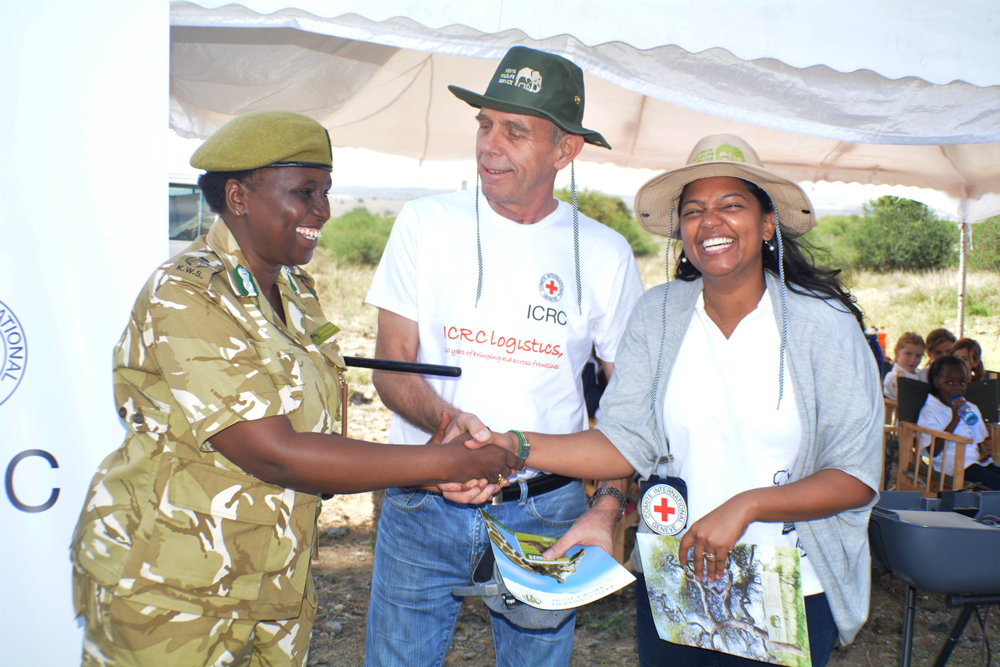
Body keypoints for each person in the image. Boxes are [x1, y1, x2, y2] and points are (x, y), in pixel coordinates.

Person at [69, 110, 520, 667]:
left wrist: (431, 462)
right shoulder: (186, 294)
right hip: (173, 588)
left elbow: (313, 435)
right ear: (238, 196)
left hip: (271, 582)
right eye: (304, 191)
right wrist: (442, 465)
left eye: (326, 192)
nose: (323, 211)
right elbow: (275, 453)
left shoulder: (294, 290)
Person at [480, 134, 882, 667]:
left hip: (789, 588)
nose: (709, 221)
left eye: (731, 205)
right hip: (677, 580)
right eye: (693, 211)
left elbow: (855, 476)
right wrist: (512, 444)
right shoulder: (661, 315)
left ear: (767, 225)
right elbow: (625, 442)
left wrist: (748, 504)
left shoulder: (822, 326)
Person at [362, 46, 645, 666]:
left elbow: (627, 404)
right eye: (484, 124)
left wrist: (606, 506)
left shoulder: (604, 252)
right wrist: (447, 432)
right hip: (423, 495)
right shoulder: (424, 223)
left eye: (515, 131)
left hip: (546, 510)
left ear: (565, 150)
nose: (490, 145)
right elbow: (392, 360)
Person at [919, 355, 1000, 489]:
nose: (957, 388)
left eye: (962, 383)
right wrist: (955, 420)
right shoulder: (931, 410)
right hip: (953, 465)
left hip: (977, 462)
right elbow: (932, 451)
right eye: (950, 382)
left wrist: (982, 450)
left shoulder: (971, 408)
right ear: (937, 382)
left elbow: (978, 439)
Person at [882, 332, 924, 400]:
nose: (913, 360)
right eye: (908, 354)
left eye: (918, 356)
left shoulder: (921, 377)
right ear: (896, 352)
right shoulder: (893, 377)